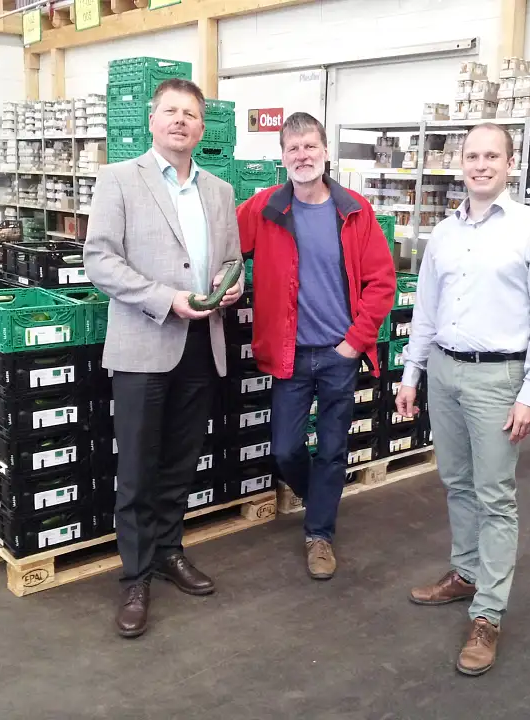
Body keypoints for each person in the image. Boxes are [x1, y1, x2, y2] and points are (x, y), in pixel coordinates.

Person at [396, 122, 530, 675]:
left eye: (492, 155)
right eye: (472, 155)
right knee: (457, 483)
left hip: (499, 379)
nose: (481, 164)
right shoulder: (444, 233)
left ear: (510, 163)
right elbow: (425, 308)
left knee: (495, 496)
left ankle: (487, 614)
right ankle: (464, 572)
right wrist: (411, 372)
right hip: (445, 372)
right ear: (460, 164)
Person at [83, 78, 243, 639]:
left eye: (191, 114)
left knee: (181, 459)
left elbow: (232, 263)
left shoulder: (220, 191)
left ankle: (170, 551)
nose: (181, 121)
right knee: (136, 468)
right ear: (152, 121)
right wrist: (164, 300)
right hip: (145, 341)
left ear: (202, 127)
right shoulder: (119, 180)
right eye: (171, 112)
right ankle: (135, 575)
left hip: (204, 343)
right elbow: (99, 260)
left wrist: (229, 288)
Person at [236, 112, 396, 580]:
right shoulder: (265, 209)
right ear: (282, 157)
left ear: (325, 152)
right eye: (293, 149)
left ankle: (319, 533)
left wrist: (354, 343)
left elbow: (382, 284)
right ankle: (318, 501)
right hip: (290, 354)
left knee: (331, 448)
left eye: (310, 147)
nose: (302, 156)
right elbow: (225, 245)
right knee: (285, 449)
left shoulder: (355, 211)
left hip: (337, 354)